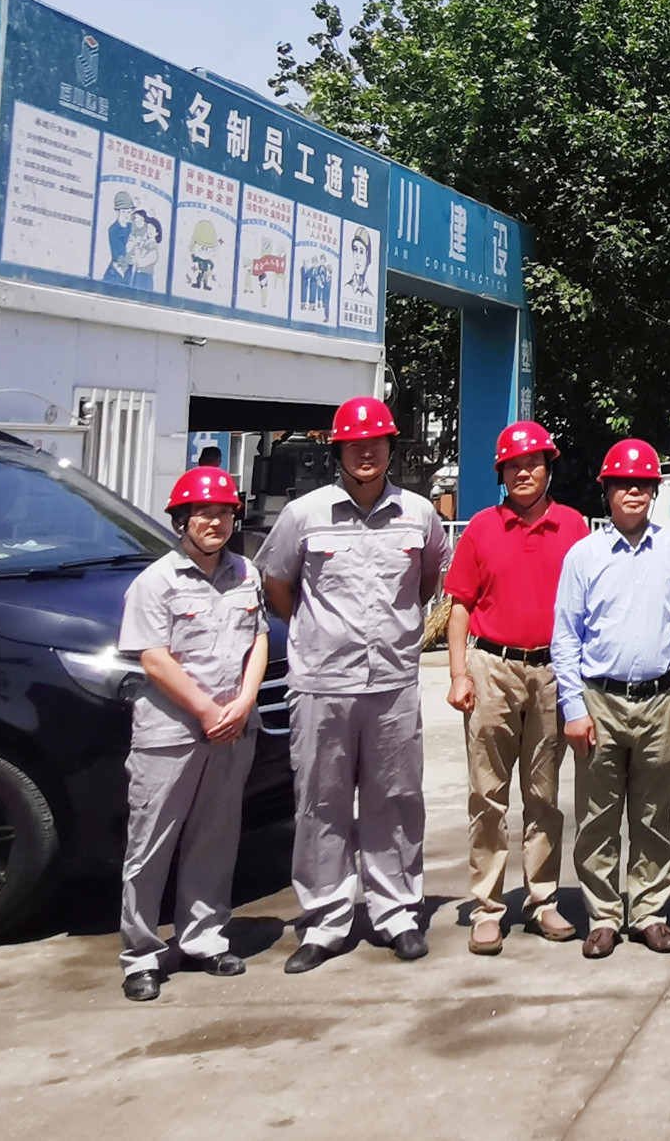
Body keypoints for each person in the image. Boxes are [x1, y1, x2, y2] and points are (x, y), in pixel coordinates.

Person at [257, 396, 452, 973]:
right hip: (322, 682)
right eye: (354, 445)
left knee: (397, 799)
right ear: (337, 451)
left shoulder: (419, 514)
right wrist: (319, 634)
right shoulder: (304, 515)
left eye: (376, 443)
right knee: (322, 802)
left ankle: (397, 914)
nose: (366, 453)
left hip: (392, 682)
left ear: (392, 447)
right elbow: (277, 585)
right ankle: (325, 921)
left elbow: (427, 582)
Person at [117, 467, 271, 1001]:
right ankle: (141, 956)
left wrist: (245, 701)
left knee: (215, 839)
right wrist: (207, 710)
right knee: (150, 845)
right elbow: (154, 659)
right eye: (204, 513)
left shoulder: (246, 574)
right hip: (171, 733)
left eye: (225, 513)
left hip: (233, 729)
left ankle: (204, 939)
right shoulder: (155, 582)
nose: (215, 522)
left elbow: (258, 641)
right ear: (181, 520)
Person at [553, 439, 670, 958]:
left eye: (642, 484)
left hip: (660, 699)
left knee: (653, 814)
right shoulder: (584, 555)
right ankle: (603, 916)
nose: (633, 492)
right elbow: (566, 637)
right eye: (623, 484)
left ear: (654, 491)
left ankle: (649, 912)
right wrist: (573, 708)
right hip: (600, 700)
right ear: (608, 491)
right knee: (597, 815)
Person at [444, 420, 590, 953]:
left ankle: (543, 898)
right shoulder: (482, 528)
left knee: (544, 793)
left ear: (549, 469)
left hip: (553, 671)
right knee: (487, 792)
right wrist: (458, 674)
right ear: (501, 474)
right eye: (513, 466)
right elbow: (460, 605)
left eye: (533, 464)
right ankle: (487, 906)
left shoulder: (574, 526)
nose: (524, 473)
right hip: (493, 667)